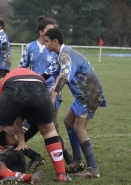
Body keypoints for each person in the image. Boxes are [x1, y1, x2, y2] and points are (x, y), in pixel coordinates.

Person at [0, 67, 71, 183]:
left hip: (13, 87)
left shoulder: (6, 83)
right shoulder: (34, 77)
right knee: (49, 132)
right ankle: (61, 174)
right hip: (40, 88)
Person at [44, 28, 106, 178]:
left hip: (89, 95)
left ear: (55, 41)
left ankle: (93, 169)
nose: (45, 44)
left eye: (46, 41)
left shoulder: (66, 54)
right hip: (82, 96)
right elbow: (55, 73)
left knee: (79, 128)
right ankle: (77, 161)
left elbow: (64, 76)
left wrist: (54, 94)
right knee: (68, 121)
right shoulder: (62, 54)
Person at [18, 15, 72, 165]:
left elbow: (62, 72)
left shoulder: (56, 48)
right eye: (50, 29)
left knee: (50, 126)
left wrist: (55, 90)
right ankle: (24, 150)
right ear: (41, 32)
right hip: (32, 90)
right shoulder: (30, 47)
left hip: (50, 91)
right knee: (35, 125)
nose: (54, 31)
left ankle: (65, 158)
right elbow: (21, 67)